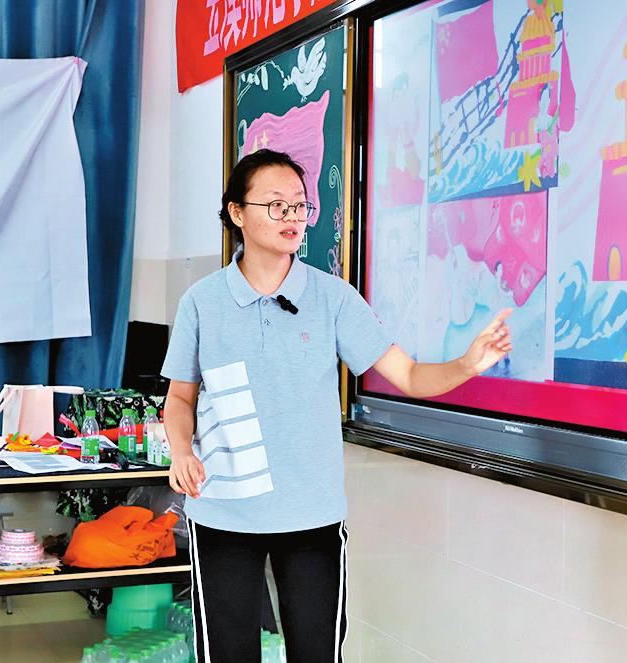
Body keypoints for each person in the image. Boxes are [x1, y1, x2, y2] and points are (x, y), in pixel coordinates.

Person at [160, 149, 512, 662]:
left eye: (300, 206)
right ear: (237, 212)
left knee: (318, 653)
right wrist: (180, 452)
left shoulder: (334, 298)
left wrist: (466, 364)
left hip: (311, 514)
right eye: (276, 205)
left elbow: (409, 375)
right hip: (223, 510)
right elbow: (180, 397)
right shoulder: (201, 301)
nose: (292, 217)